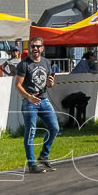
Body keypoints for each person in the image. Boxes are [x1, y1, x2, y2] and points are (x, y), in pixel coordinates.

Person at [14, 36, 58, 173]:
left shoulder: (47, 63)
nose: (35, 49)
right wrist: (29, 97)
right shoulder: (24, 64)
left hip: (44, 99)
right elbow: (17, 85)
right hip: (29, 101)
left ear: (42, 48)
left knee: (54, 127)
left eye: (38, 46)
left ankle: (44, 156)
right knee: (31, 131)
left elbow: (49, 83)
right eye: (32, 46)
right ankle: (32, 163)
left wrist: (51, 83)